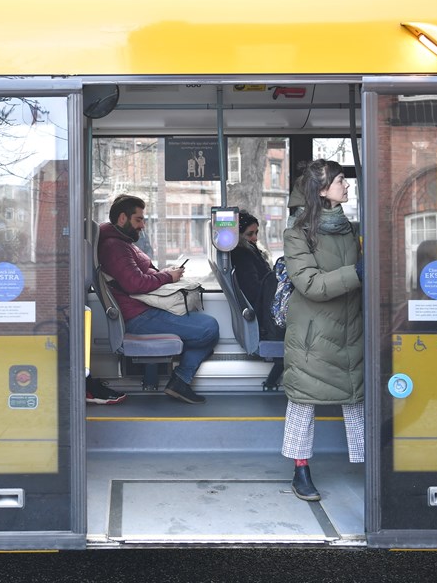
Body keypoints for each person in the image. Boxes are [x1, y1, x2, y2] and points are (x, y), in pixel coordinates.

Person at [280, 159, 364, 501]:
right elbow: (310, 284)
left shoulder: (352, 228)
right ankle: (301, 470)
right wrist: (358, 273)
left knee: (357, 401)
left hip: (351, 328)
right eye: (341, 180)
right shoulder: (296, 234)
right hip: (312, 336)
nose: (347, 186)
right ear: (323, 190)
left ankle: (369, 467)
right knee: (304, 403)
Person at [98, 194, 219, 404]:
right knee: (209, 328)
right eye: (139, 219)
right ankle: (180, 380)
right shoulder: (114, 247)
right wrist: (167, 277)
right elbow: (133, 283)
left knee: (203, 324)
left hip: (143, 309)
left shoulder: (122, 243)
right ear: (122, 219)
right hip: (138, 316)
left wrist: (162, 273)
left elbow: (135, 276)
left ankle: (180, 381)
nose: (142, 225)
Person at [230, 209, 284, 386]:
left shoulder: (249, 251)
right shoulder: (243, 256)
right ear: (238, 235)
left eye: (256, 233)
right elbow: (255, 291)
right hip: (265, 314)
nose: (254, 238)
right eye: (249, 234)